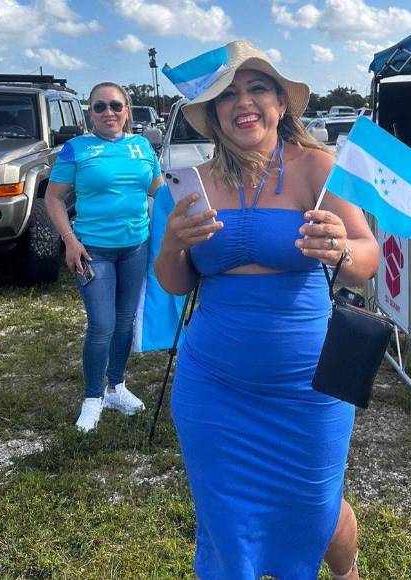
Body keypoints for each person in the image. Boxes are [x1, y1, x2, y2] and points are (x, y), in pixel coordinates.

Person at [155, 40, 378, 579]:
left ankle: (346, 571)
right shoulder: (191, 183)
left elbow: (366, 258)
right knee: (226, 521)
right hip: (213, 384)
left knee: (316, 509)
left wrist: (341, 250)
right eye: (227, 94)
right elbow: (173, 282)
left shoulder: (317, 168)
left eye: (257, 88)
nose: (243, 102)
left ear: (281, 104)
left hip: (309, 384)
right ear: (214, 114)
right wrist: (173, 245)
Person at [45, 82, 164, 432]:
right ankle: (92, 397)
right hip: (92, 250)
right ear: (90, 113)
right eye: (99, 106)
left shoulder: (142, 146)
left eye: (115, 105)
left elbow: (158, 189)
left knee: (125, 322)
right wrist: (69, 240)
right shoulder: (76, 149)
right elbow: (53, 198)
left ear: (127, 110)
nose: (108, 112)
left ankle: (116, 387)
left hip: (136, 247)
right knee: (102, 325)